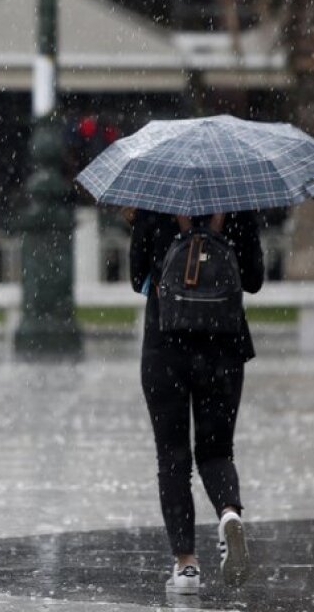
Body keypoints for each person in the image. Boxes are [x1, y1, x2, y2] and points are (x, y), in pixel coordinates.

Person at [127, 207, 264, 595]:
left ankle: (186, 566)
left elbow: (137, 279)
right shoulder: (238, 203)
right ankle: (229, 513)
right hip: (224, 344)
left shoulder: (154, 202)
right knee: (217, 450)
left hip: (165, 343)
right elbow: (253, 281)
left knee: (172, 458)